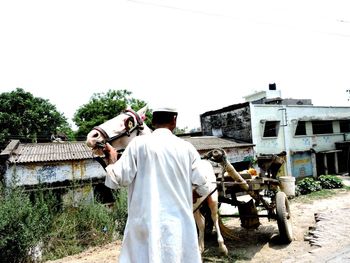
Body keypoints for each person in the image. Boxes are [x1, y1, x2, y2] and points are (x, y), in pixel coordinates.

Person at [103, 107, 210, 263]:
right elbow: (204, 186)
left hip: (144, 226)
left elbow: (116, 180)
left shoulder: (137, 145)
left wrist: (112, 161)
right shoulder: (187, 148)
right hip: (178, 227)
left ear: (152, 122)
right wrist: (192, 195)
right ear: (174, 120)